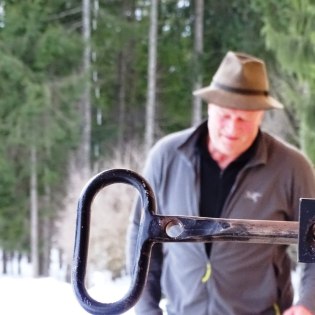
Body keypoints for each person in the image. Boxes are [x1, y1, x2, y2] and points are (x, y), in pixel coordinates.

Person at [126, 51, 315, 315]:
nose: (232, 128)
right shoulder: (166, 156)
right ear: (210, 106)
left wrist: (308, 303)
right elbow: (141, 232)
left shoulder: (293, 167)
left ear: (260, 115)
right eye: (225, 116)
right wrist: (145, 308)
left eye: (243, 120)